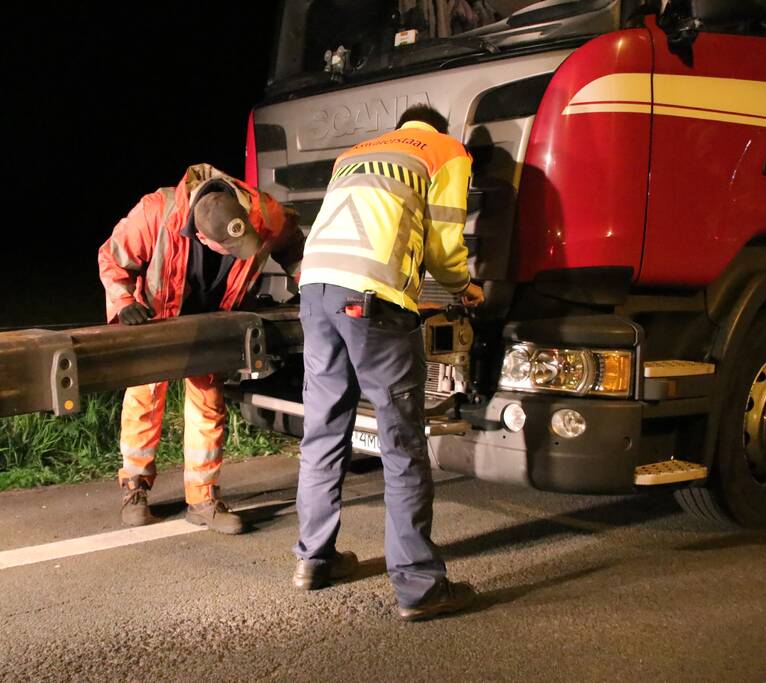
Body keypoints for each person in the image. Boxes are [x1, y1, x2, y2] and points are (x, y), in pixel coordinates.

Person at [292, 105, 484, 620]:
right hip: (372, 299)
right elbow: (444, 247)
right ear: (437, 128)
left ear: (399, 126)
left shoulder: (353, 154)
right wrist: (465, 288)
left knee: (324, 430)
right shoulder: (446, 152)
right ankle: (419, 587)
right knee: (401, 442)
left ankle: (314, 560)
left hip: (314, 290)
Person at [98, 163, 304, 534]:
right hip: (157, 319)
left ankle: (203, 499)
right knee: (144, 397)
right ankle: (135, 488)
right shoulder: (155, 212)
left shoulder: (263, 212)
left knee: (209, 405)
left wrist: (307, 282)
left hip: (213, 324)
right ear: (199, 235)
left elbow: (293, 243)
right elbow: (112, 258)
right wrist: (124, 300)